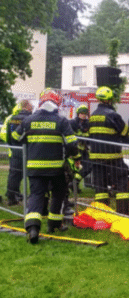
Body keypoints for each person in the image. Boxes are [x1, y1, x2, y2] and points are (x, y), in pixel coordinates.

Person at [13, 89, 80, 243]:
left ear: (41, 103)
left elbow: (16, 137)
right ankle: (54, 225)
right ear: (56, 103)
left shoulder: (29, 120)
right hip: (56, 168)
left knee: (36, 195)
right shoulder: (61, 121)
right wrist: (75, 157)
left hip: (35, 167)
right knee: (58, 194)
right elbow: (72, 143)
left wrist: (29, 142)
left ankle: (33, 228)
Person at [89, 86, 129, 214]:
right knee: (122, 180)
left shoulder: (92, 116)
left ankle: (102, 212)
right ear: (110, 100)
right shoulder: (113, 115)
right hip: (112, 157)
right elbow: (124, 132)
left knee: (100, 186)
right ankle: (123, 211)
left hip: (96, 157)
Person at [3, 100, 33, 205]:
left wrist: (12, 146)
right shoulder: (31, 118)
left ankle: (11, 197)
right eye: (31, 106)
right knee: (32, 174)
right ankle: (34, 198)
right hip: (29, 150)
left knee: (14, 174)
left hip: (15, 150)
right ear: (28, 107)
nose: (33, 108)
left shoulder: (12, 118)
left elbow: (8, 135)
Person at [69, 104, 92, 192]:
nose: (83, 115)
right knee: (74, 169)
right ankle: (74, 186)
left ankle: (75, 182)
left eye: (85, 113)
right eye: (82, 113)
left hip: (84, 150)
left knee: (88, 167)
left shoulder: (88, 124)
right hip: (74, 150)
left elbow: (89, 137)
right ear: (78, 113)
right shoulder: (72, 123)